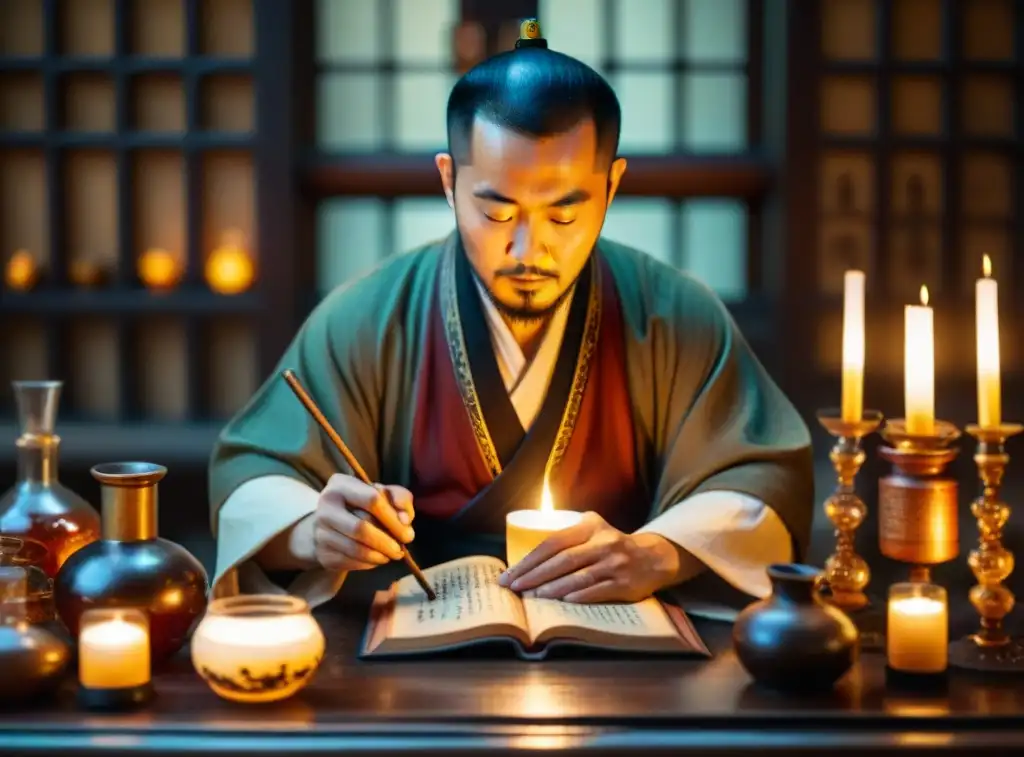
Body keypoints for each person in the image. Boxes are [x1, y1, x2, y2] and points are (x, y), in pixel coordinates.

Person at [208, 21, 813, 612]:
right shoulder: (368, 317)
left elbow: (760, 477)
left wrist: (659, 554)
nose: (529, 250)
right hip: (411, 651)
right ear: (449, 181)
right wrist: (314, 529)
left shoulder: (673, 316)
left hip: (625, 655)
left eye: (565, 215)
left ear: (610, 186)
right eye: (498, 213)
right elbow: (256, 473)